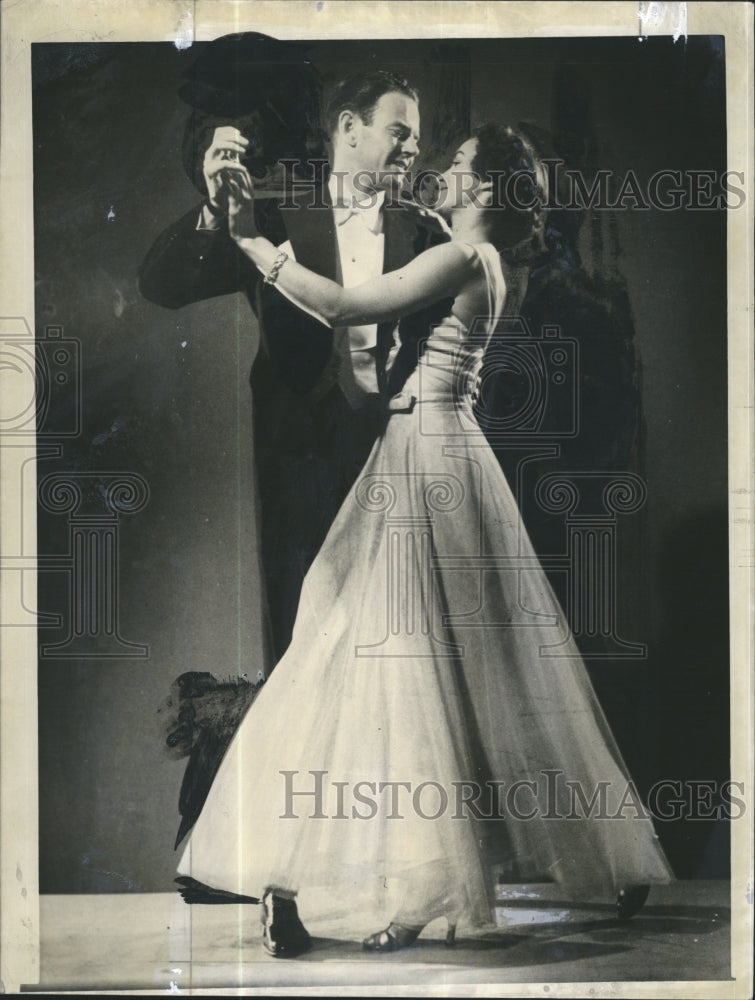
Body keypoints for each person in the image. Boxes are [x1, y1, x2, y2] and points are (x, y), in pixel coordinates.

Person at [175, 124, 674, 957]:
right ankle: (577, 856)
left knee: (393, 658)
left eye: (460, 165)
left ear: (486, 188)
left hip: (424, 455)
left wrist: (253, 243)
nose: (442, 169)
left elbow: (344, 307)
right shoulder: (484, 257)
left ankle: (383, 887)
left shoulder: (461, 257)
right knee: (451, 664)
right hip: (435, 450)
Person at [139, 70, 451, 666]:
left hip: (389, 446)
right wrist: (213, 209)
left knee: (391, 628)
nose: (413, 148)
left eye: (416, 136)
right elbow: (160, 286)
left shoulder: (425, 232)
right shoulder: (271, 215)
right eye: (400, 132)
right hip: (294, 445)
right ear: (349, 127)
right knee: (296, 620)